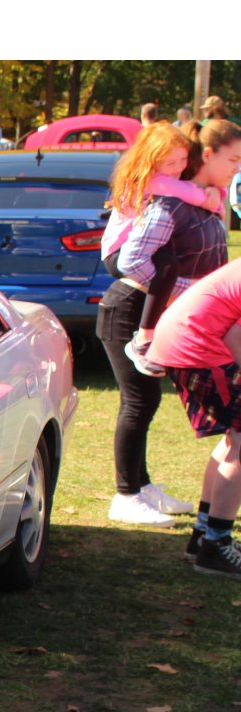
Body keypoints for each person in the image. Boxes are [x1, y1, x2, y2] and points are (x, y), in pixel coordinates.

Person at [96, 120, 239, 527]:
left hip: (158, 312)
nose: (238, 168)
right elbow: (130, 261)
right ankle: (125, 495)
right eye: (233, 159)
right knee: (138, 401)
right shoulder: (169, 203)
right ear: (208, 155)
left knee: (148, 401)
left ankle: (141, 487)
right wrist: (188, 292)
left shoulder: (200, 202)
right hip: (130, 308)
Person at [149, 257, 241, 576]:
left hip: (189, 341)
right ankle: (215, 544)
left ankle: (204, 535)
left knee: (234, 439)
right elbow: (235, 337)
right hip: (198, 345)